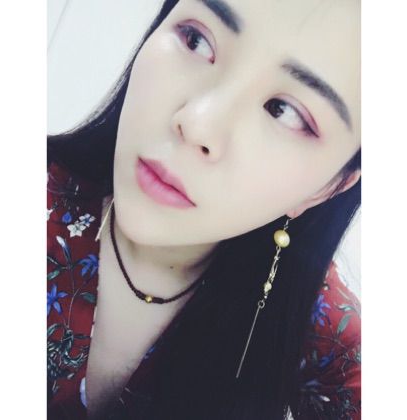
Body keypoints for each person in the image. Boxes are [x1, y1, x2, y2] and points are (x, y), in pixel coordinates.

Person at [47, 0, 361, 418]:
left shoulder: (328, 334)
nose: (197, 124)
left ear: (329, 187)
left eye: (283, 111)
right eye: (196, 40)